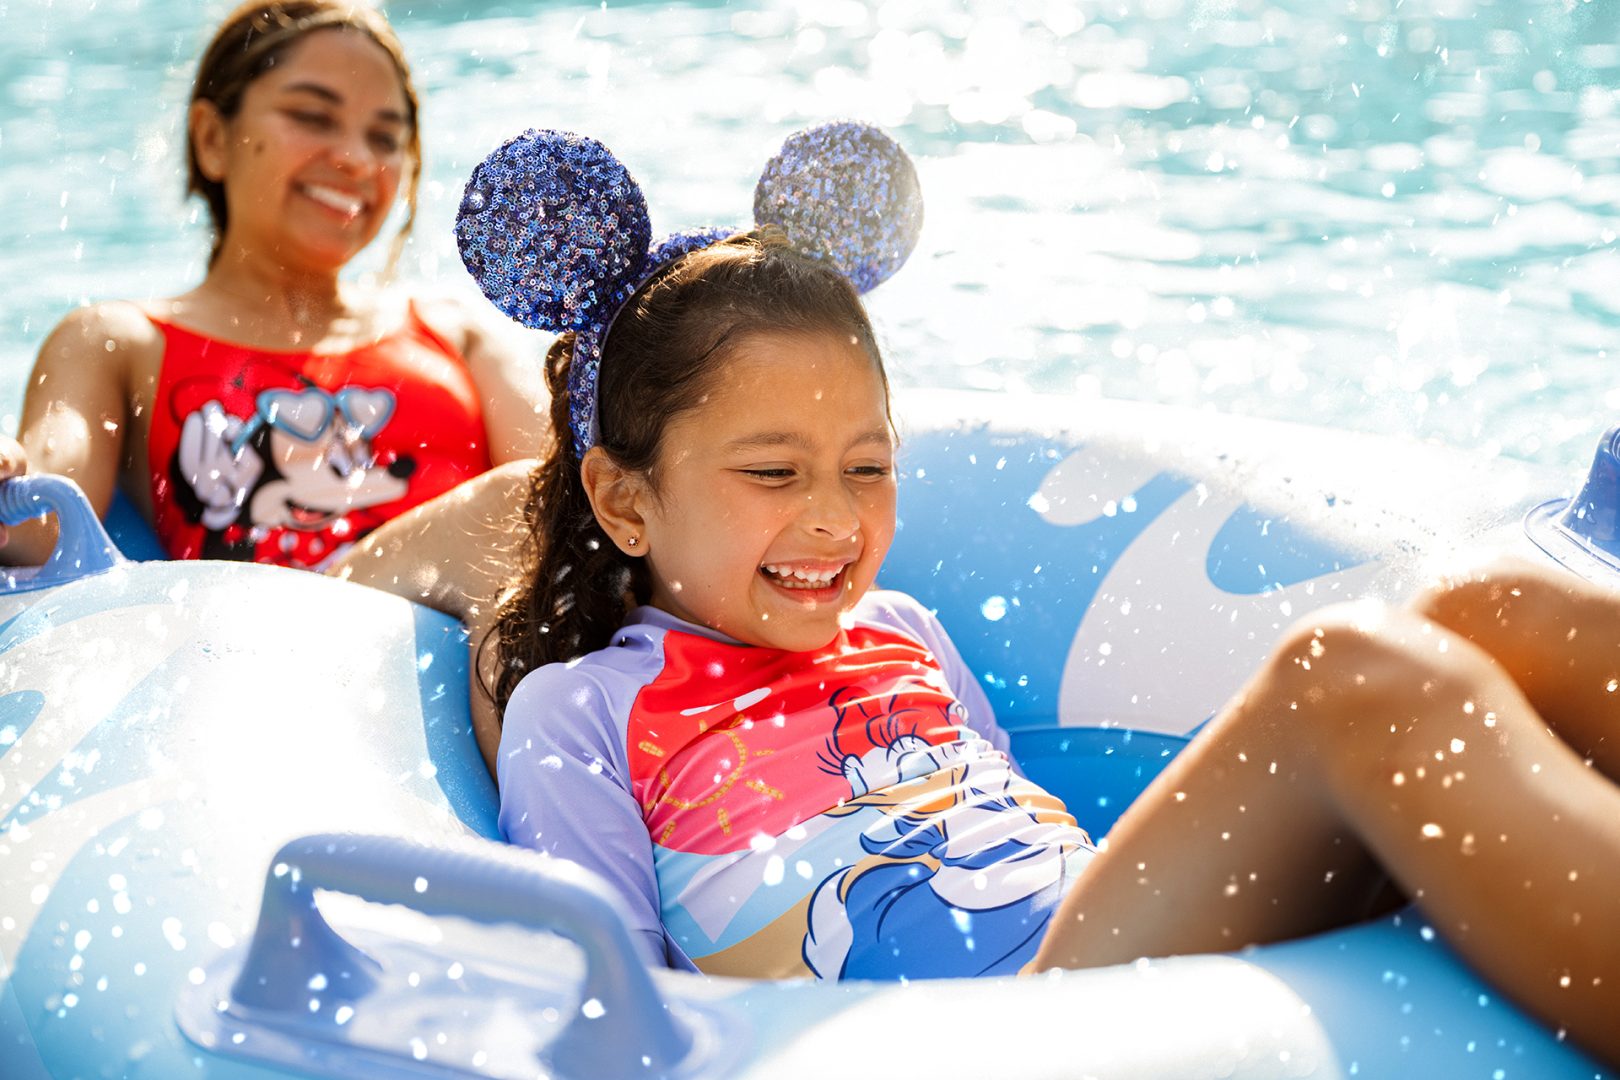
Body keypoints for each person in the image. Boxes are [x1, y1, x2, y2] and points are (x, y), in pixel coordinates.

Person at [471, 125, 1618, 1064]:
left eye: (868, 468)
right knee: (1349, 680)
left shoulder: (903, 630)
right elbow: (610, 1006)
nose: (835, 517)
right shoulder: (581, 711)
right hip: (1002, 1034)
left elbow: (1010, 813)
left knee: (1493, 611)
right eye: (774, 473)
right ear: (625, 503)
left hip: (1086, 954)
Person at [0, 0, 544, 573]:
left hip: (463, 642)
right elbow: (39, 526)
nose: (357, 159)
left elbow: (576, 511)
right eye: (312, 116)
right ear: (212, 138)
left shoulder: (458, 337)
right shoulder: (119, 342)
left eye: (385, 139)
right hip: (249, 649)